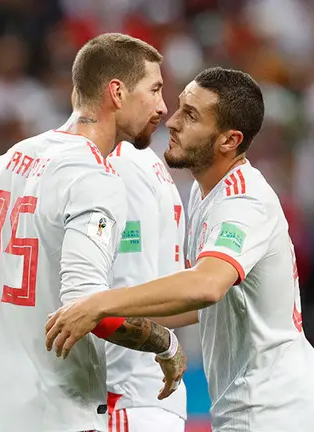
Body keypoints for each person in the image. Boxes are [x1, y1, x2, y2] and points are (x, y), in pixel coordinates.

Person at [45, 67, 314, 431]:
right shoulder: (205, 191)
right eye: (180, 106)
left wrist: (98, 303)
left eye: (191, 116)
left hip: (276, 407)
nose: (172, 121)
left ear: (229, 140)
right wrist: (117, 323)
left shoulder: (242, 201)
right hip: (258, 403)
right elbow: (197, 303)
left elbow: (205, 285)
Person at [0, 33, 187, 432]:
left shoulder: (9, 161)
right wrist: (166, 343)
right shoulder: (95, 178)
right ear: (117, 93)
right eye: (154, 90)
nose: (162, 107)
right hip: (55, 412)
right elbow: (87, 306)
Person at [104, 105, 192, 429]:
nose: (162, 108)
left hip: (125, 396)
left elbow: (129, 293)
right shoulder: (150, 163)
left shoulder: (121, 165)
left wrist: (110, 391)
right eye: (154, 90)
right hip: (148, 397)